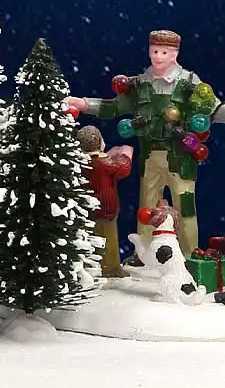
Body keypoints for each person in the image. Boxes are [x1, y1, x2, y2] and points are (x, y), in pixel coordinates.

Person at [68, 29, 224, 257]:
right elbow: (113, 107)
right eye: (154, 51)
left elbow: (214, 110)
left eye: (164, 52)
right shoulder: (140, 84)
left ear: (175, 54)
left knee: (186, 211)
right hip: (149, 159)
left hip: (181, 161)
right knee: (146, 209)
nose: (158, 56)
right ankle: (144, 256)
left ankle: (190, 257)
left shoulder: (190, 83)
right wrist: (83, 104)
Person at [76, 125, 134, 278]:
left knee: (86, 238)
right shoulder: (103, 163)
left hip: (84, 210)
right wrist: (125, 153)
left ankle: (88, 267)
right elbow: (122, 168)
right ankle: (110, 268)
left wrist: (110, 154)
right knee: (108, 239)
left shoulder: (79, 161)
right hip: (105, 209)